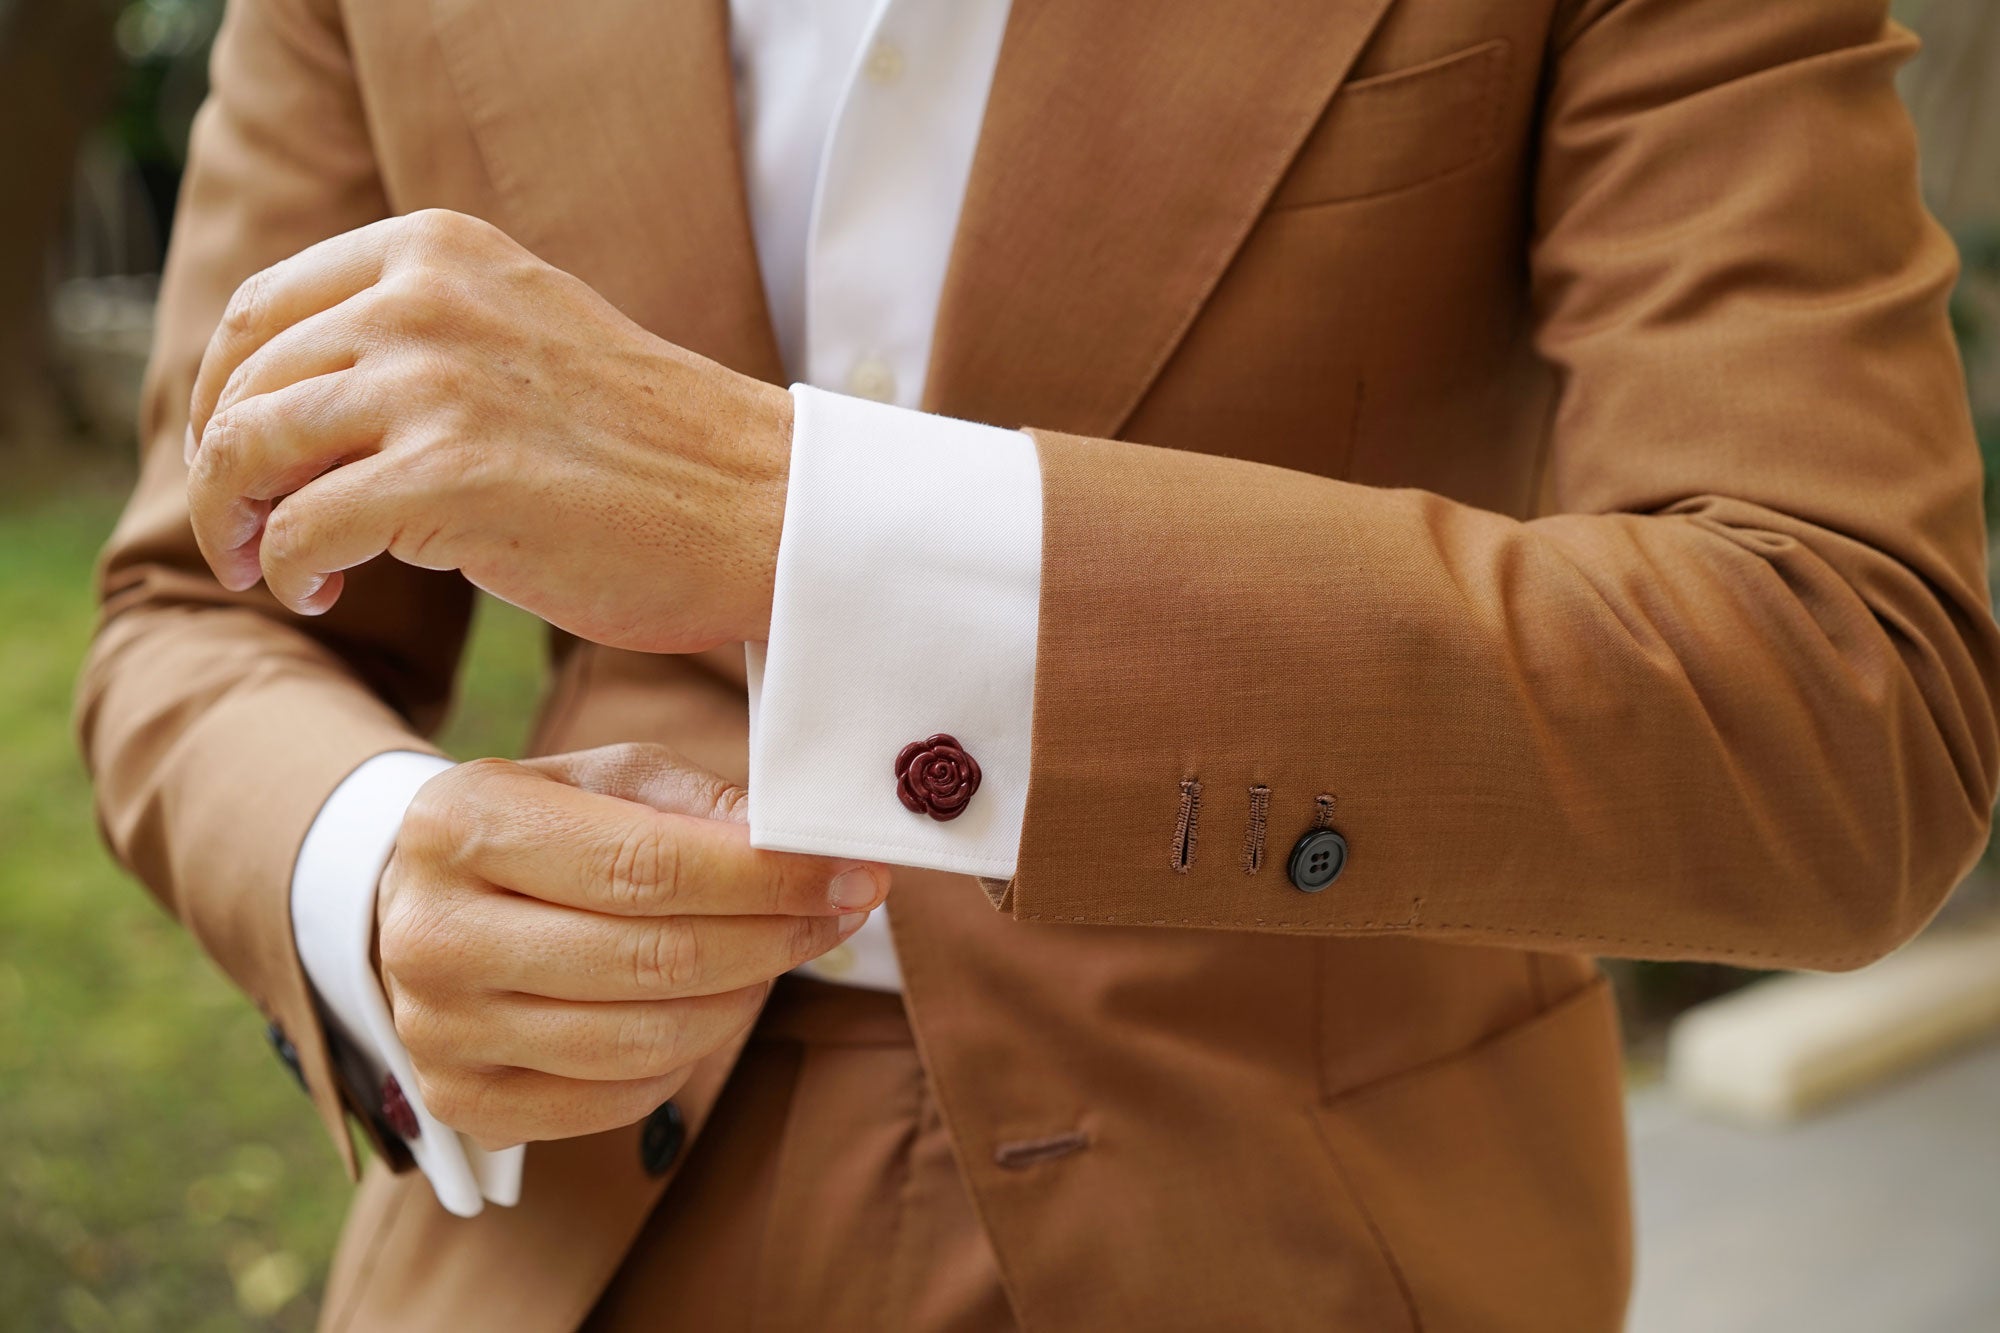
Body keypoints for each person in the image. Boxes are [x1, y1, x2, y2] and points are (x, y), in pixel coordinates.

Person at [78, 0, 2000, 1328]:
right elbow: (196, 614)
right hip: (561, 1235)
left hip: (1306, 1231)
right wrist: (365, 862)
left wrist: (785, 511)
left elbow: (1845, 703)